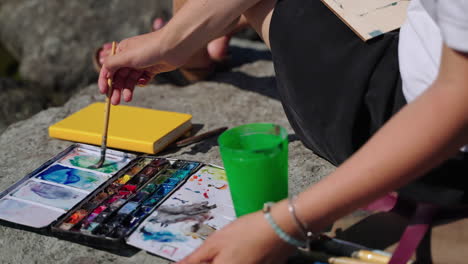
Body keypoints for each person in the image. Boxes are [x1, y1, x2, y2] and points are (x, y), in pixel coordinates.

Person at [98, 0, 468, 263]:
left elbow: (457, 99)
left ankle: (202, 47)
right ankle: (202, 38)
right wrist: (169, 42)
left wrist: (286, 223)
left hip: (415, 131)